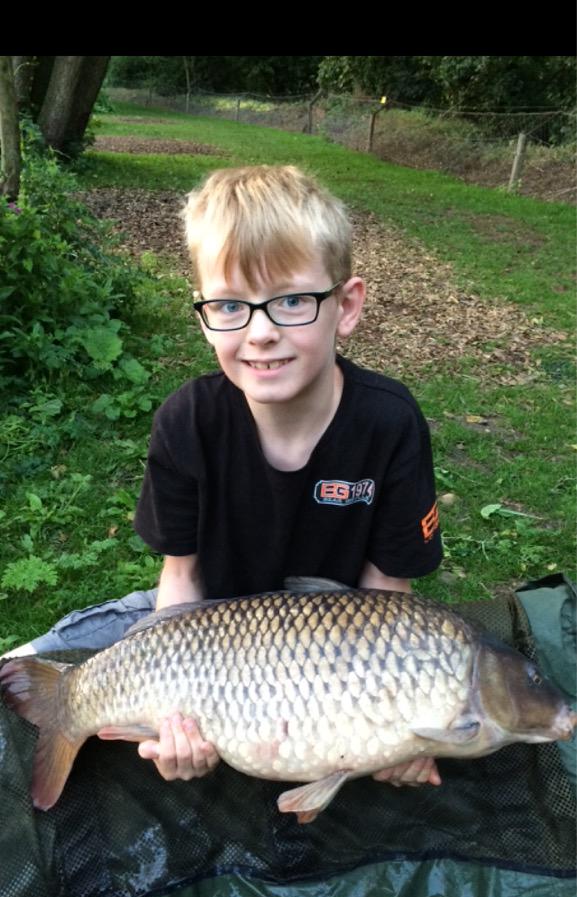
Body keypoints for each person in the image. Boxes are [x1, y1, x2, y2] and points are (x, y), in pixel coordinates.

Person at [5, 165, 443, 790]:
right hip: (204, 628)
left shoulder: (389, 422)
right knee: (32, 667)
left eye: (292, 300)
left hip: (330, 656)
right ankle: (57, 702)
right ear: (205, 315)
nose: (261, 332)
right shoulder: (187, 420)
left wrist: (392, 725)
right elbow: (180, 579)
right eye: (232, 306)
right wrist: (180, 715)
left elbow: (386, 598)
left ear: (345, 307)